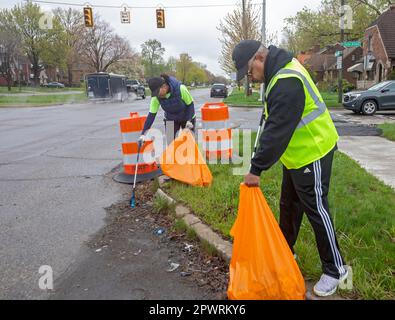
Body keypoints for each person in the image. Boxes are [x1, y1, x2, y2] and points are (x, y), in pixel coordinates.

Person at [232, 40, 348, 297]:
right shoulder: (276, 74)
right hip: (296, 155)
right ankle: (285, 252)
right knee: (289, 205)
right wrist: (256, 159)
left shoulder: (286, 81)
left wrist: (256, 169)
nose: (250, 77)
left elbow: (277, 131)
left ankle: (336, 269)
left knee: (316, 209)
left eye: (250, 71)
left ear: (259, 59)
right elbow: (269, 121)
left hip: (314, 151)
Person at [140, 74, 196, 143]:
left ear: (164, 86)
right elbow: (151, 115)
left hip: (187, 117)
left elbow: (190, 105)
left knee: (189, 142)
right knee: (171, 144)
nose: (157, 95)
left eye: (158, 92)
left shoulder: (181, 89)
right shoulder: (156, 98)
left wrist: (189, 120)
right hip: (171, 118)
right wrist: (143, 134)